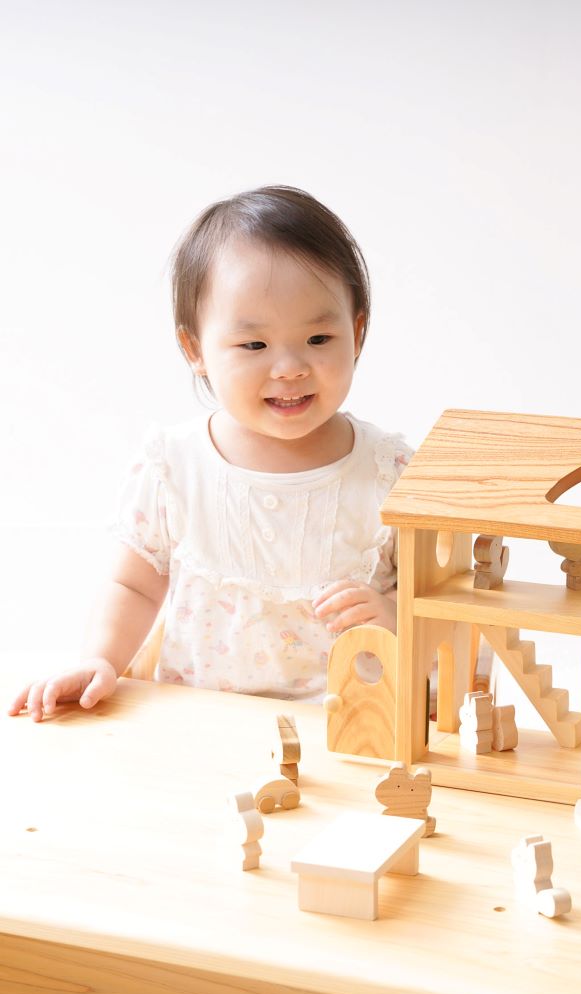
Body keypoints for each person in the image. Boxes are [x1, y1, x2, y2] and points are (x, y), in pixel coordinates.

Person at [9, 185, 410, 721]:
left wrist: (392, 615)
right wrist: (99, 659)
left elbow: (437, 600)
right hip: (199, 721)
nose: (290, 368)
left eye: (318, 339)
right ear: (195, 349)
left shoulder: (389, 473)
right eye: (254, 345)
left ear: (356, 332)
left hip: (350, 724)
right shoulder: (174, 468)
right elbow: (133, 584)